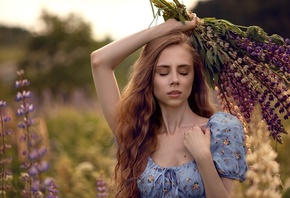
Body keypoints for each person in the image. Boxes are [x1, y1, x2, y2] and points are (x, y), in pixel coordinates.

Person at [90, 14, 248, 198]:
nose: (174, 80)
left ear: (194, 77)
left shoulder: (221, 130)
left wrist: (204, 158)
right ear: (149, 78)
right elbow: (99, 61)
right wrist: (164, 30)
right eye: (163, 73)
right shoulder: (136, 135)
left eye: (183, 71)